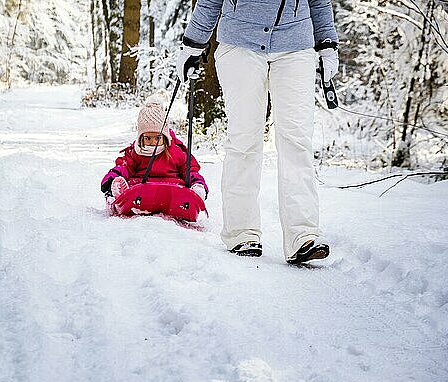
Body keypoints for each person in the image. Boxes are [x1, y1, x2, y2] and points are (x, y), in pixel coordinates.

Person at [176, 0, 338, 263]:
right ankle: (241, 232)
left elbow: (319, 1)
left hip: (296, 47)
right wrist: (194, 42)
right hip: (240, 45)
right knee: (244, 138)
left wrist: (327, 43)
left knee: (297, 140)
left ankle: (304, 235)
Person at [101, 101, 208, 202]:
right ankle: (118, 194)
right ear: (140, 138)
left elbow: (190, 170)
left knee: (184, 189)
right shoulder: (136, 152)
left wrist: (197, 183)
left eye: (157, 138)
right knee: (129, 186)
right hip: (140, 191)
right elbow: (124, 167)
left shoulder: (176, 151)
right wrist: (112, 178)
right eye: (148, 138)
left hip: (173, 191)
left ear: (165, 137)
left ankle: (193, 197)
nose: (153, 142)